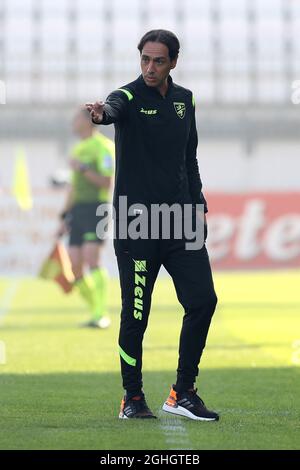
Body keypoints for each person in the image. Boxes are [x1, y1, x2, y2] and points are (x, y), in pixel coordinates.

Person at [86, 29, 219, 420]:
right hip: (137, 226)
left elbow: (189, 158)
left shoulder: (185, 100)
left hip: (180, 223)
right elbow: (109, 110)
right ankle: (132, 397)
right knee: (136, 314)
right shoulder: (125, 97)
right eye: (145, 59)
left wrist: (198, 206)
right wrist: (99, 115)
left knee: (203, 302)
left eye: (158, 61)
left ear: (173, 62)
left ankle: (183, 393)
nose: (149, 67)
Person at [58, 108, 114, 329]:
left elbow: (106, 183)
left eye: (76, 118)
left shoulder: (104, 147)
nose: (72, 122)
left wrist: (82, 168)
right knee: (74, 266)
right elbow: (73, 187)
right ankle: (95, 311)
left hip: (96, 208)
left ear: (87, 121)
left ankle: (101, 313)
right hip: (78, 210)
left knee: (92, 258)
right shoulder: (78, 149)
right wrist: (64, 215)